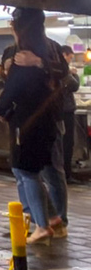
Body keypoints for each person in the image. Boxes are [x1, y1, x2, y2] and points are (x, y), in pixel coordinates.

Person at [0, 7, 66, 245]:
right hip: (43, 120)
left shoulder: (26, 55)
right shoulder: (43, 49)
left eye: (14, 21)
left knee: (27, 171)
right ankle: (52, 217)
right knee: (30, 170)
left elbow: (14, 87)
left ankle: (42, 225)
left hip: (28, 121)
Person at [60, 45, 80, 183]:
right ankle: (66, 174)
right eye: (70, 57)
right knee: (66, 143)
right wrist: (74, 74)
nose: (70, 60)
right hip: (65, 111)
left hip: (59, 110)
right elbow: (75, 86)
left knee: (62, 143)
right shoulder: (62, 70)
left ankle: (63, 173)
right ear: (64, 55)